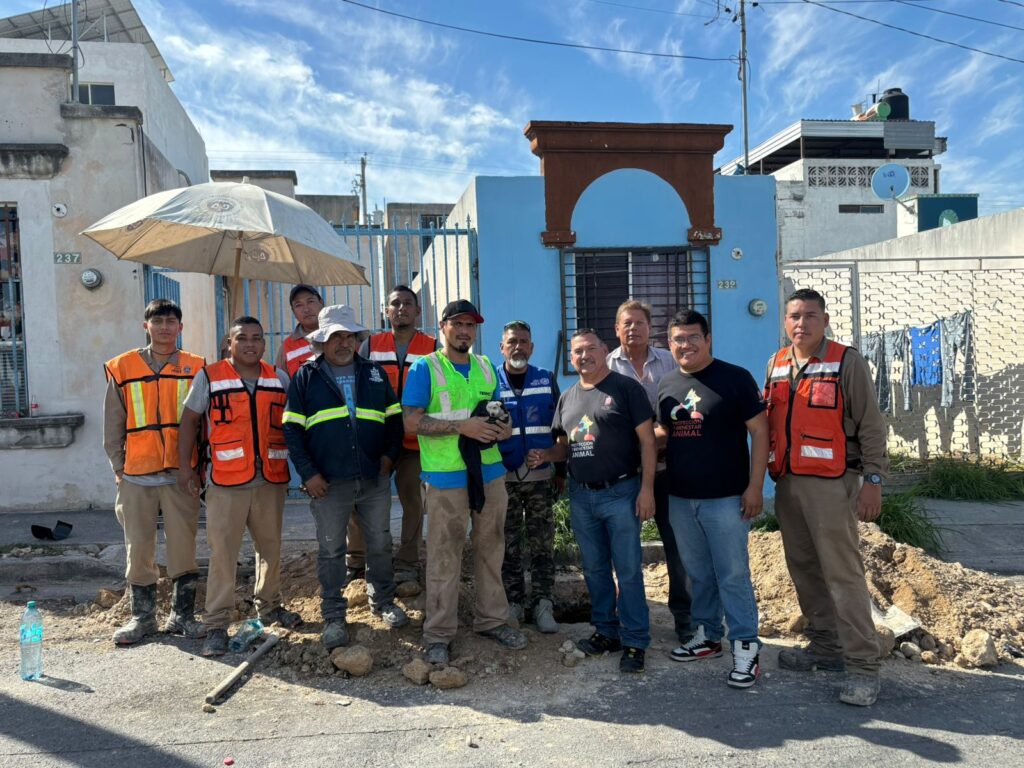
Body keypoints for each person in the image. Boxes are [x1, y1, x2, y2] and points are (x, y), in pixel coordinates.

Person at [765, 288, 888, 707]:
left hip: (833, 485)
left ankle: (863, 668)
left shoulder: (845, 361)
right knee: (803, 567)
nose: (802, 323)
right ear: (785, 321)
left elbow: (871, 424)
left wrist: (873, 479)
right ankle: (826, 647)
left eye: (810, 315)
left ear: (825, 320)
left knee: (842, 573)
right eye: (794, 316)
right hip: (788, 484)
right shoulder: (777, 363)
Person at [402, 299, 527, 665]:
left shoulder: (486, 367)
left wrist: (504, 428)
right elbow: (410, 422)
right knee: (444, 555)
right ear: (443, 327)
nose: (464, 331)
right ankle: (438, 634)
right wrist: (462, 427)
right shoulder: (425, 368)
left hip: (490, 473)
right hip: (446, 477)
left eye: (470, 325)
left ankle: (492, 620)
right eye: (457, 324)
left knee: (492, 549)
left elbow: (499, 412)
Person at [529, 329, 656, 673]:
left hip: (622, 492)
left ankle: (635, 640)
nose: (583, 356)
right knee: (595, 569)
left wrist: (647, 489)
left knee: (627, 570)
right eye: (577, 352)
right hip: (582, 495)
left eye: (589, 349)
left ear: (604, 350)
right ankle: (606, 631)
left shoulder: (626, 389)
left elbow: (648, 442)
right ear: (571, 358)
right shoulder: (568, 397)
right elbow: (563, 448)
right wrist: (546, 456)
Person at [283, 305, 408, 650]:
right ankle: (334, 614)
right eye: (335, 336)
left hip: (373, 478)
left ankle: (382, 601)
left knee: (380, 542)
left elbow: (394, 420)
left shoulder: (374, 373)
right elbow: (292, 431)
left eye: (349, 336)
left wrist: (389, 458)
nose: (343, 343)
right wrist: (309, 474)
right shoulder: (306, 376)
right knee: (331, 549)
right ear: (321, 341)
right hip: (327, 482)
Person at [655, 310, 768, 688]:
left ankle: (746, 645)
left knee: (732, 574)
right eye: (678, 339)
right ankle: (707, 635)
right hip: (680, 497)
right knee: (698, 572)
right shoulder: (667, 383)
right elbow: (664, 431)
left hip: (726, 498)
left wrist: (755, 487)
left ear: (708, 339)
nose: (685, 345)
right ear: (669, 344)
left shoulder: (735, 378)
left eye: (692, 337)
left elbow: (760, 432)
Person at [178, 316, 303, 657]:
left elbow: (294, 424)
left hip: (270, 479)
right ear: (229, 343)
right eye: (242, 338)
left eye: (256, 338)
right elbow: (189, 420)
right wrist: (186, 467)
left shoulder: (279, 378)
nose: (250, 344)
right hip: (225, 482)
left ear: (264, 343)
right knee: (223, 554)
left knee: (270, 548)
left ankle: (270, 607)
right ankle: (217, 623)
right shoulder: (210, 376)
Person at [102, 299, 206, 646]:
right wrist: (119, 466)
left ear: (180, 327)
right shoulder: (123, 367)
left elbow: (204, 424)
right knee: (138, 548)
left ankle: (182, 615)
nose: (164, 327)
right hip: (136, 475)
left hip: (181, 475)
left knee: (184, 547)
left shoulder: (197, 366)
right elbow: (113, 423)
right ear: (145, 326)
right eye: (157, 321)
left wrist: (199, 469)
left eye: (170, 321)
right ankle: (142, 618)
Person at [606, 299, 693, 645]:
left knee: (678, 546)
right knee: (624, 550)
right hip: (625, 473)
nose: (633, 329)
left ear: (650, 327)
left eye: (639, 323)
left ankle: (685, 618)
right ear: (617, 329)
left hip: (668, 469)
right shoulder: (606, 365)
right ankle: (626, 617)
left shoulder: (670, 361)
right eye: (626, 323)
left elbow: (683, 407)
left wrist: (659, 434)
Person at [350, 285, 438, 583]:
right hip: (376, 440)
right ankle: (359, 560)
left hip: (414, 442)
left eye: (407, 303)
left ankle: (408, 561)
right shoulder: (370, 345)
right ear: (386, 311)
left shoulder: (433, 346)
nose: (401, 308)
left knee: (413, 501)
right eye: (395, 303)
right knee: (361, 498)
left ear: (418, 310)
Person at [496, 320, 563, 634]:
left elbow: (561, 429)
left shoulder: (546, 379)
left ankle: (543, 603)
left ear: (532, 347)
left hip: (540, 479)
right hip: (503, 479)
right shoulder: (490, 380)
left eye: (523, 341)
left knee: (542, 544)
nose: (518, 347)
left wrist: (560, 470)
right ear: (502, 347)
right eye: (512, 342)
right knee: (507, 544)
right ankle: (513, 602)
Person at [275, 284, 324, 377]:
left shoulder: (341, 334)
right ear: (293, 312)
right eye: (298, 305)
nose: (306, 309)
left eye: (310, 301)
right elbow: (282, 382)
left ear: (321, 303)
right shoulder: (287, 346)